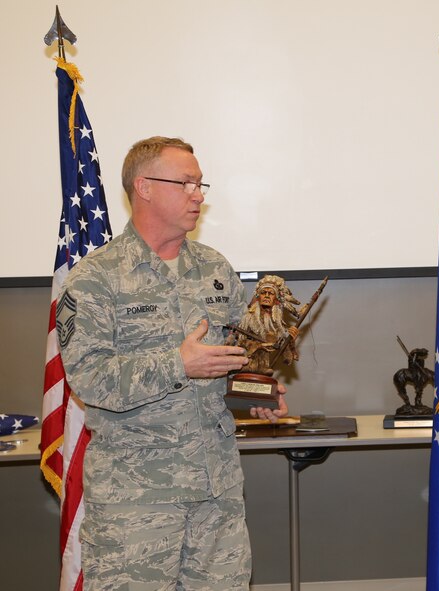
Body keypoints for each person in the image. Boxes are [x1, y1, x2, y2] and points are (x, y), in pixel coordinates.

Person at [56, 136, 287, 590]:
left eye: (201, 184)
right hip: (137, 505)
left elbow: (233, 359)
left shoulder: (215, 269)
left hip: (216, 494)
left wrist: (255, 388)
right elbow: (90, 379)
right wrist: (177, 363)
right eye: (186, 183)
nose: (198, 195)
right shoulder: (96, 279)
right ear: (143, 187)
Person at [228, 274, 306, 375]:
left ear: (276, 299)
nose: (267, 296)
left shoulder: (276, 323)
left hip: (263, 366)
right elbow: (239, 341)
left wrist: (290, 340)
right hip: (245, 363)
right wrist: (258, 345)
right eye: (263, 293)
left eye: (271, 293)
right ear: (258, 296)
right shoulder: (248, 318)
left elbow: (285, 355)